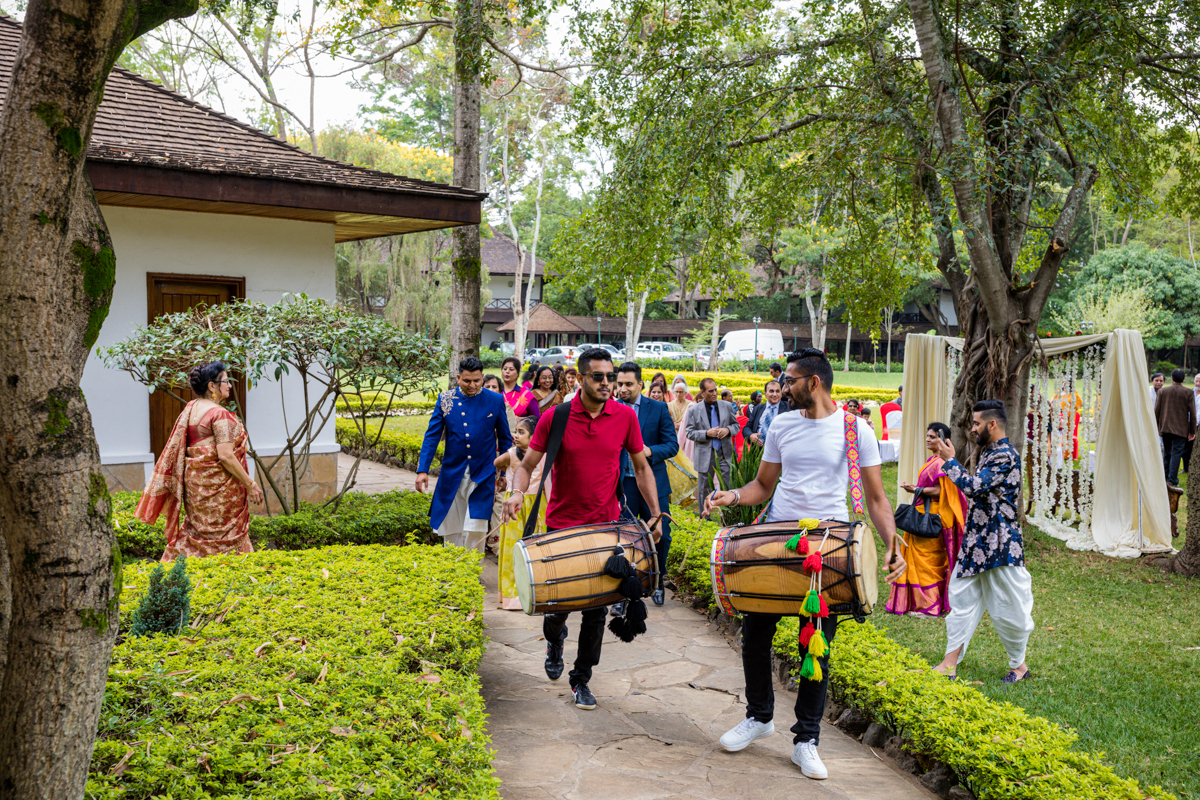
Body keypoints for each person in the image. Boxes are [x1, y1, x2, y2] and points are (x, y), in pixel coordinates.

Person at [704, 348, 905, 781]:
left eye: (790, 379)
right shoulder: (781, 423)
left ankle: (806, 740)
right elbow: (762, 485)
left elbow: (875, 498)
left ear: (813, 383)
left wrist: (893, 544)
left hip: (826, 549)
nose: (782, 386)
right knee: (754, 636)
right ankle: (759, 717)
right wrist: (732, 496)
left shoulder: (856, 431)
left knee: (814, 646)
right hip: (777, 539)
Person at [502, 348, 663, 711]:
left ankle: (581, 680)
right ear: (580, 377)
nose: (607, 384)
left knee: (596, 610)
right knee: (555, 610)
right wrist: (515, 492)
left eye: (611, 377)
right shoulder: (555, 417)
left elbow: (641, 468)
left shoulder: (624, 417)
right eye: (599, 377)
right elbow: (527, 465)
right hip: (562, 528)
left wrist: (655, 513)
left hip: (607, 527)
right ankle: (554, 639)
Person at [930, 400, 1035, 684]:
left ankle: (1020, 666)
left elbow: (974, 488)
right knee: (962, 597)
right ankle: (949, 664)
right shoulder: (989, 452)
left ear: (992, 424)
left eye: (976, 423)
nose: (972, 428)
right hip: (977, 539)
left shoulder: (1004, 455)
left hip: (1001, 542)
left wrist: (949, 461)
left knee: (1009, 605)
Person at [137, 361, 264, 560]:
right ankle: (231, 576)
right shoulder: (218, 413)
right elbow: (225, 455)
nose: (230, 385)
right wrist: (250, 484)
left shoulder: (191, 408)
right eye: (225, 381)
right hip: (219, 492)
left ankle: (177, 571)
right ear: (212, 386)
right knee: (226, 538)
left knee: (196, 534)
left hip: (196, 488)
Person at [416, 357, 513, 551]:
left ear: (482, 377)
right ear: (458, 377)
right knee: (451, 526)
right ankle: (454, 573)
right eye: (467, 380)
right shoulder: (445, 400)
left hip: (483, 473)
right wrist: (422, 470)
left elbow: (505, 440)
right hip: (452, 472)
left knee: (476, 526)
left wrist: (504, 473)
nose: (472, 385)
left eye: (477, 380)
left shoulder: (495, 400)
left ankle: (472, 574)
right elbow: (431, 437)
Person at [614, 362, 679, 609]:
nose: (622, 389)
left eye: (628, 384)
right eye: (619, 384)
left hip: (655, 484)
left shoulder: (659, 408)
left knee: (661, 535)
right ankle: (622, 591)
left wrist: (649, 451)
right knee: (623, 537)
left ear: (640, 385)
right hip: (623, 485)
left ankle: (658, 581)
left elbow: (672, 445)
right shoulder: (610, 409)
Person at [889, 422, 967, 617]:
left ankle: (929, 606)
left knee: (927, 561)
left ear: (943, 440)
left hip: (931, 515)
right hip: (923, 512)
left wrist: (915, 489)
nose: (928, 439)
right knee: (920, 559)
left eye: (932, 436)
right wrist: (917, 488)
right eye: (927, 436)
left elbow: (942, 490)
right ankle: (919, 602)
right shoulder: (934, 459)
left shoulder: (941, 463)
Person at [494, 417, 546, 610]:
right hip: (515, 505)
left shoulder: (543, 456)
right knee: (513, 547)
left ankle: (536, 590)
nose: (516, 436)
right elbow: (497, 462)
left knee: (537, 547)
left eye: (521, 432)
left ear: (534, 437)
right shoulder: (511, 455)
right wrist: (507, 475)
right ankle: (512, 594)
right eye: (516, 431)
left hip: (537, 506)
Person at [685, 378, 741, 508]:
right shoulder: (694, 410)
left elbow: (736, 426)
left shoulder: (727, 406)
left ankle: (728, 516)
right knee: (704, 487)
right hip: (705, 454)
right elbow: (689, 432)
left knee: (728, 485)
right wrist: (706, 433)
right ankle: (704, 517)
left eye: (716, 390)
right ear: (702, 393)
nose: (715, 393)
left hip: (724, 453)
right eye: (711, 391)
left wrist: (727, 430)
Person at [1155, 369, 1195, 486]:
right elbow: (1192, 413)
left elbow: (1156, 410)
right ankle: (1172, 480)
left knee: (1167, 453)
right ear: (1184, 379)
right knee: (1176, 453)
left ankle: (1165, 477)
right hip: (1181, 429)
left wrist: (1156, 427)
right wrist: (1192, 431)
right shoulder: (1188, 392)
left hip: (1165, 427)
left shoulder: (1163, 391)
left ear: (1171, 378)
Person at [501, 356, 540, 422]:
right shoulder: (496, 391)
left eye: (511, 369)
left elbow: (537, 419)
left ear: (517, 374)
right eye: (505, 369)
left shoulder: (525, 394)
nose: (507, 371)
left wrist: (522, 419)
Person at [750, 380, 786, 446]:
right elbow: (747, 427)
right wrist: (751, 435)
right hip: (758, 449)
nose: (775, 394)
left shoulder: (789, 408)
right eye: (771, 391)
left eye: (777, 391)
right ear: (765, 393)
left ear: (781, 393)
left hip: (779, 448)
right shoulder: (758, 408)